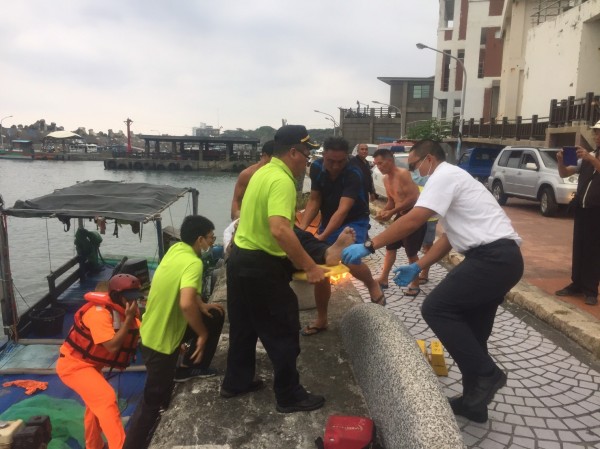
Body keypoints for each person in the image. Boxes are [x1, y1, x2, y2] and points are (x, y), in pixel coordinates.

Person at [341, 139, 523, 423]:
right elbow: (449, 237)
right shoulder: (455, 182)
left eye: (414, 165)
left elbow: (415, 219)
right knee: (474, 334)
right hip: (501, 260)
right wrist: (419, 265)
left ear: (429, 159)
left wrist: (369, 245)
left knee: (436, 308)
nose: (413, 171)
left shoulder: (444, 174)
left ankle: (488, 375)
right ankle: (475, 402)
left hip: (493, 259)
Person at [221, 124, 328, 413]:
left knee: (243, 328)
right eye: (307, 153)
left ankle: (236, 382)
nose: (308, 161)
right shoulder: (281, 180)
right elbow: (280, 229)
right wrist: (310, 266)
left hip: (239, 259)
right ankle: (289, 395)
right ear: (293, 152)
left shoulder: (261, 172)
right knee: (283, 330)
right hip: (261, 267)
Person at [124, 215, 225, 449]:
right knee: (152, 402)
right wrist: (201, 334)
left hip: (152, 331)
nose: (212, 242)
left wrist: (202, 306)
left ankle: (189, 368)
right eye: (211, 238)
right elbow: (185, 303)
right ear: (199, 239)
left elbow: (188, 294)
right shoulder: (194, 263)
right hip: (160, 342)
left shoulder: (176, 249)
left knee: (215, 315)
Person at [299, 137, 385, 334]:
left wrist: (321, 237)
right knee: (322, 268)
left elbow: (343, 210)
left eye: (340, 161)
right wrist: (303, 229)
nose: (335, 166)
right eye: (331, 161)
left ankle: (371, 283)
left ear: (346, 157)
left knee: (349, 259)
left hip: (354, 219)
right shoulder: (317, 168)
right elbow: (314, 200)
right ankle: (321, 319)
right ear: (324, 156)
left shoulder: (354, 172)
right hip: (328, 218)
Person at [56, 274, 143, 449]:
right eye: (130, 298)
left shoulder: (124, 312)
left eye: (136, 298)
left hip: (91, 365)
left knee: (94, 406)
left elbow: (146, 331)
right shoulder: (98, 314)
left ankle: (94, 446)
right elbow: (111, 347)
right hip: (73, 366)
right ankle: (120, 446)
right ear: (117, 296)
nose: (134, 303)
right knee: (106, 398)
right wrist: (127, 320)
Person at [555, 123, 600, 306]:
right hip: (582, 209)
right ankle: (577, 283)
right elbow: (565, 173)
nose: (597, 137)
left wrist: (590, 158)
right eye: (596, 133)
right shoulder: (589, 156)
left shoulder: (591, 157)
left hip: (597, 210)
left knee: (593, 251)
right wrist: (560, 161)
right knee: (579, 247)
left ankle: (591, 290)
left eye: (599, 134)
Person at [372, 148, 426, 296]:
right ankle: (383, 279)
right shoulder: (385, 179)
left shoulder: (403, 174)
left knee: (411, 252)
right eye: (376, 164)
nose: (379, 167)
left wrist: (392, 212)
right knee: (390, 247)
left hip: (414, 215)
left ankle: (414, 283)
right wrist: (385, 211)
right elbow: (392, 200)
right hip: (400, 215)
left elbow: (413, 197)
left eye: (381, 163)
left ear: (390, 161)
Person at [231, 140, 275, 220]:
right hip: (248, 219)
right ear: (264, 156)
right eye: (275, 158)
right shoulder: (247, 174)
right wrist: (237, 216)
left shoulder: (278, 175)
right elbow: (236, 200)